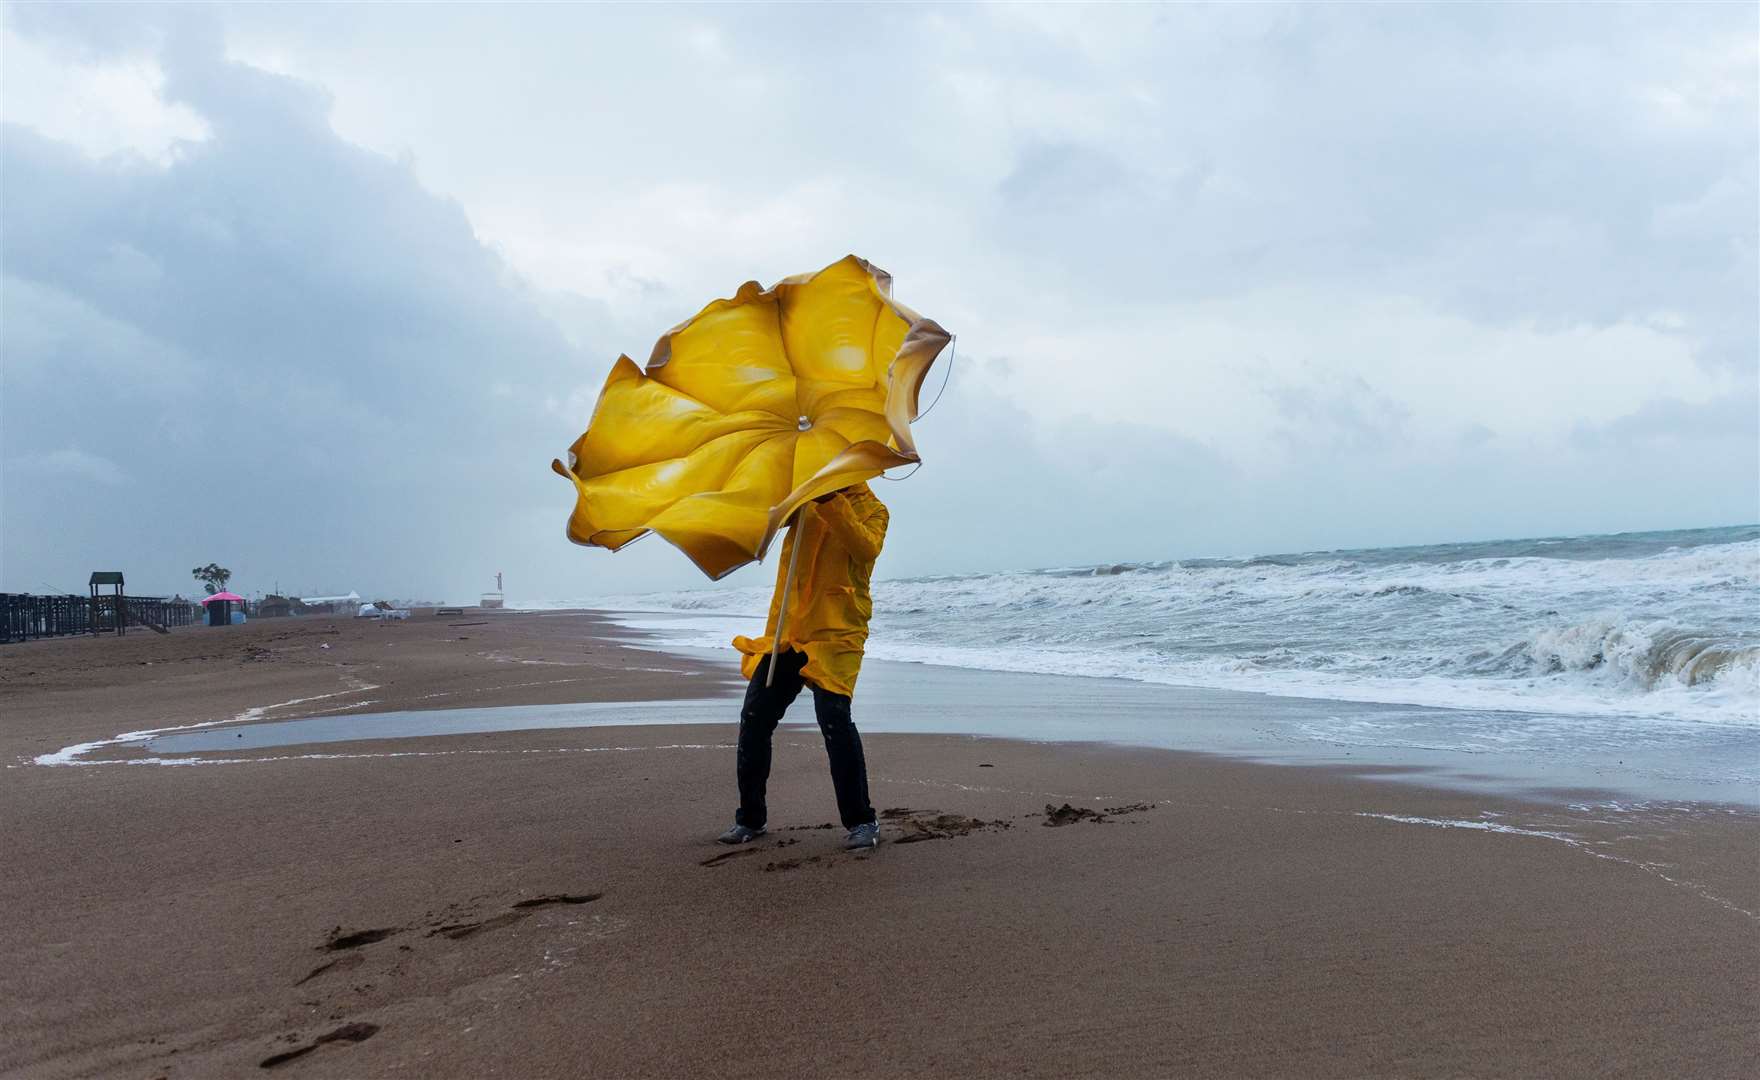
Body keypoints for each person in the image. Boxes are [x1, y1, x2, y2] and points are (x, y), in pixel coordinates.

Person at [719, 483, 888, 850]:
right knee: (755, 718)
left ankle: (862, 821)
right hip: (789, 633)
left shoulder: (873, 509)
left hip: (836, 635)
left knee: (834, 720)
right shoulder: (802, 504)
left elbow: (865, 547)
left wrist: (830, 501)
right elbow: (764, 525)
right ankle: (750, 819)